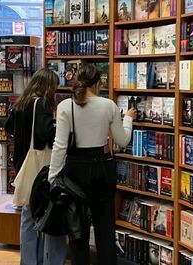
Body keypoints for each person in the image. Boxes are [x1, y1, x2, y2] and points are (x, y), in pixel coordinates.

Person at [48, 63, 137, 265]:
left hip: (74, 170)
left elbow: (60, 146)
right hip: (103, 168)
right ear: (97, 83)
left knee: (77, 230)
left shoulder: (65, 106)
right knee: (105, 229)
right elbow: (122, 141)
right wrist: (128, 120)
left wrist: (52, 178)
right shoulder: (109, 106)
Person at [4, 67, 67, 265]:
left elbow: (7, 127)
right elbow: (45, 134)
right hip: (38, 168)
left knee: (28, 215)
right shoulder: (41, 104)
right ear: (48, 86)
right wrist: (60, 126)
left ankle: (29, 260)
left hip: (23, 164)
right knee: (41, 214)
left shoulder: (22, 102)